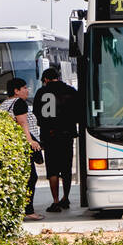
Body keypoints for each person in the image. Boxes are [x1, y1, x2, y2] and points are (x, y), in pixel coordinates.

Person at [34, 67, 81, 213]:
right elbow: (78, 112)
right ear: (58, 77)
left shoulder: (41, 92)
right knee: (66, 168)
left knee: (52, 170)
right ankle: (65, 198)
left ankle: (55, 201)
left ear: (46, 79)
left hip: (49, 137)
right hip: (66, 135)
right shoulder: (70, 91)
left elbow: (37, 113)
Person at [0, 78, 43, 221]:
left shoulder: (5, 104)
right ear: (16, 91)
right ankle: (28, 209)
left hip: (11, 146)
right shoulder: (19, 103)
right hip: (23, 146)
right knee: (31, 177)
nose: (27, 90)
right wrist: (30, 141)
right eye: (24, 88)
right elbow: (23, 123)